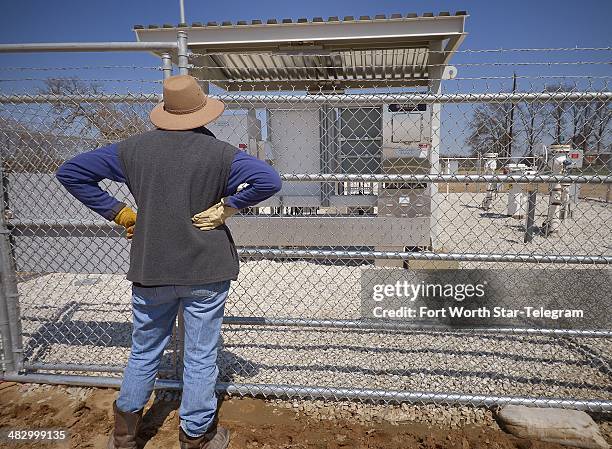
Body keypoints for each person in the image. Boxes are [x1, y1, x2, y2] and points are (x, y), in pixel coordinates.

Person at [56, 74, 282, 449]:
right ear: (203, 113)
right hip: (205, 269)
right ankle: (196, 437)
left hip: (151, 267)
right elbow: (268, 179)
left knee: (144, 350)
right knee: (200, 354)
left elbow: (72, 172)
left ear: (165, 112)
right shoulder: (221, 153)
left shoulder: (132, 150)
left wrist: (121, 213)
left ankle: (125, 435)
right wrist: (228, 207)